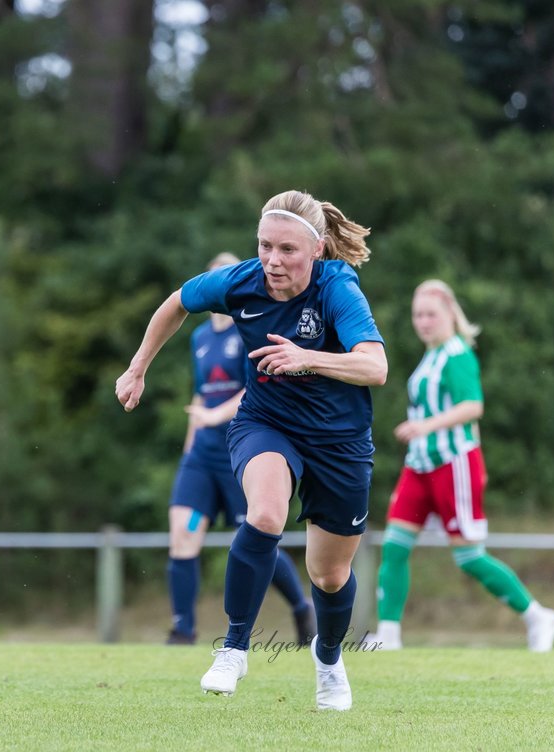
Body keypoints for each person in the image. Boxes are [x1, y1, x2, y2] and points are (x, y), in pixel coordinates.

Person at [117, 190, 386, 711]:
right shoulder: (240, 281)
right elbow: (177, 302)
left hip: (341, 441)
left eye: (287, 250)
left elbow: (374, 367)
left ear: (317, 249)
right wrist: (137, 367)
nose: (273, 260)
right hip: (267, 423)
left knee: (329, 575)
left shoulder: (338, 289)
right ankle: (234, 648)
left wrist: (307, 358)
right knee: (264, 514)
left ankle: (328, 659)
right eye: (265, 246)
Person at [366, 280, 554, 652]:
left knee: (469, 557)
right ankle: (388, 636)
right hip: (419, 465)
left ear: (449, 315)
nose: (423, 322)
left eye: (431, 315)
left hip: (453, 464)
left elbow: (473, 406)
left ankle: (538, 616)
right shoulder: (432, 355)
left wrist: (424, 426)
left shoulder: (457, 354)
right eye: (418, 315)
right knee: (394, 546)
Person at [165, 251, 316, 647]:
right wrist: (191, 443)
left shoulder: (250, 327)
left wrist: (216, 416)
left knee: (254, 532)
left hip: (243, 449)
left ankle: (302, 608)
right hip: (202, 455)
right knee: (182, 533)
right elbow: (200, 396)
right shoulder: (199, 337)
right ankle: (182, 630)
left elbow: (257, 386)